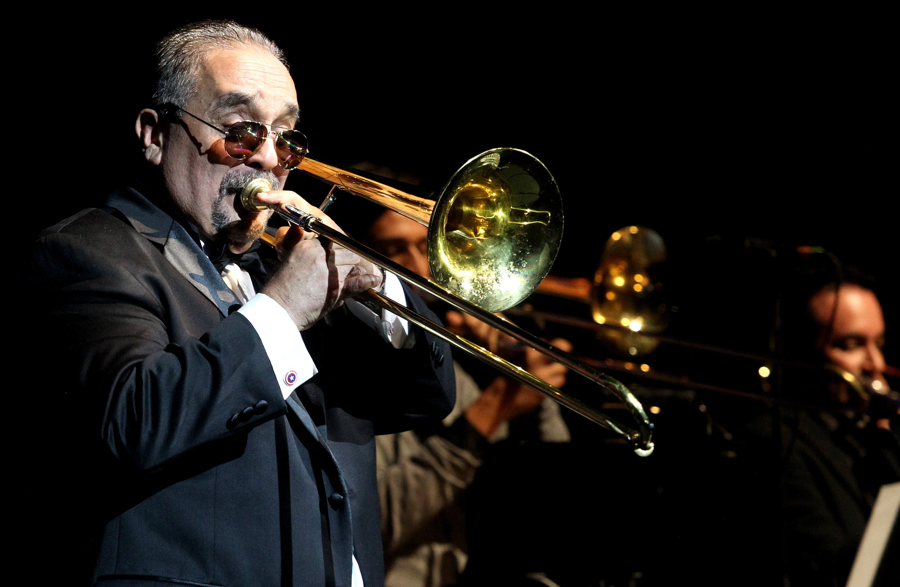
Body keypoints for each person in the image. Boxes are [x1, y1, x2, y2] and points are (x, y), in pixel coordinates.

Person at [19, 20, 454, 587]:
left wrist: (378, 288)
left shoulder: (281, 267)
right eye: (242, 130)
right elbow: (132, 422)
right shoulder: (88, 250)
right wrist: (280, 312)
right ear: (154, 135)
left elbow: (425, 399)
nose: (270, 159)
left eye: (288, 138)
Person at [360, 208, 572, 586]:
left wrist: (521, 372)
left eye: (426, 248)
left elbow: (548, 487)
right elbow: (373, 522)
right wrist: (494, 404)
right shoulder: (345, 374)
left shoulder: (460, 379)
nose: (419, 267)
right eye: (394, 250)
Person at [741, 272, 899, 586]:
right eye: (851, 345)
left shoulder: (871, 437)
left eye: (878, 344)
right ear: (804, 354)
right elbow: (828, 573)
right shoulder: (773, 441)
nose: (875, 363)